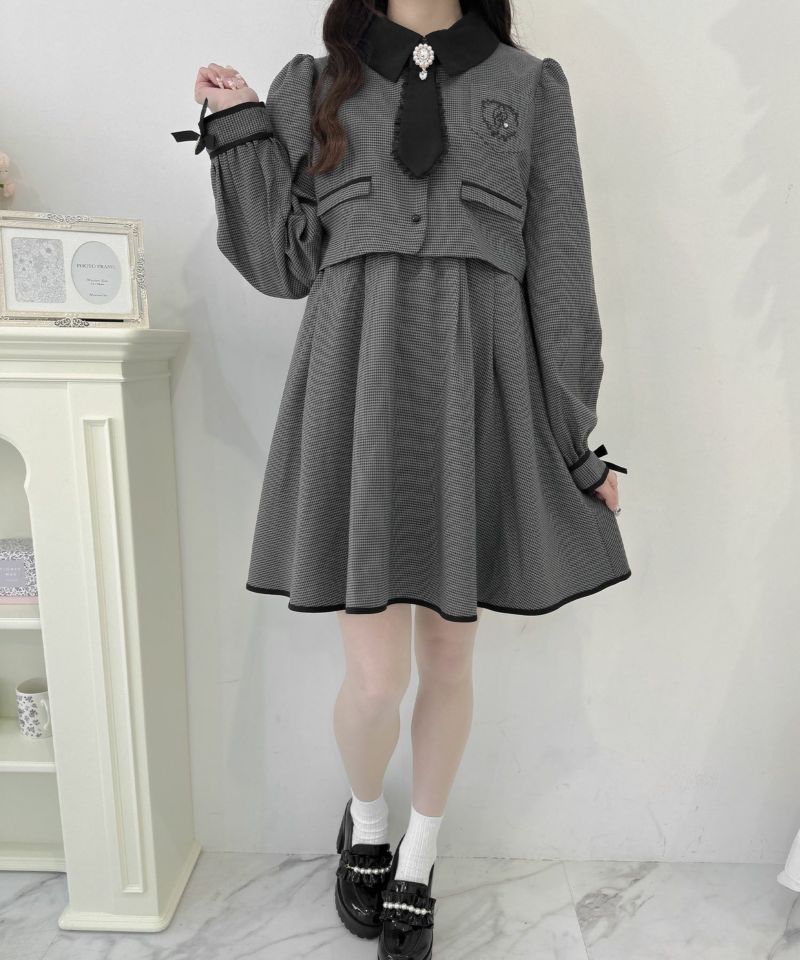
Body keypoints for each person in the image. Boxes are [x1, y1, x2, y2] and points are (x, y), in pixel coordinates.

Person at [172, 1, 632, 956]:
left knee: (451, 662)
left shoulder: (529, 87)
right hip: (359, 387)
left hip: (477, 390)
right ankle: (368, 822)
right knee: (376, 680)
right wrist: (241, 129)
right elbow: (283, 263)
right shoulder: (316, 82)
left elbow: (561, 272)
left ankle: (419, 855)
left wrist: (575, 444)